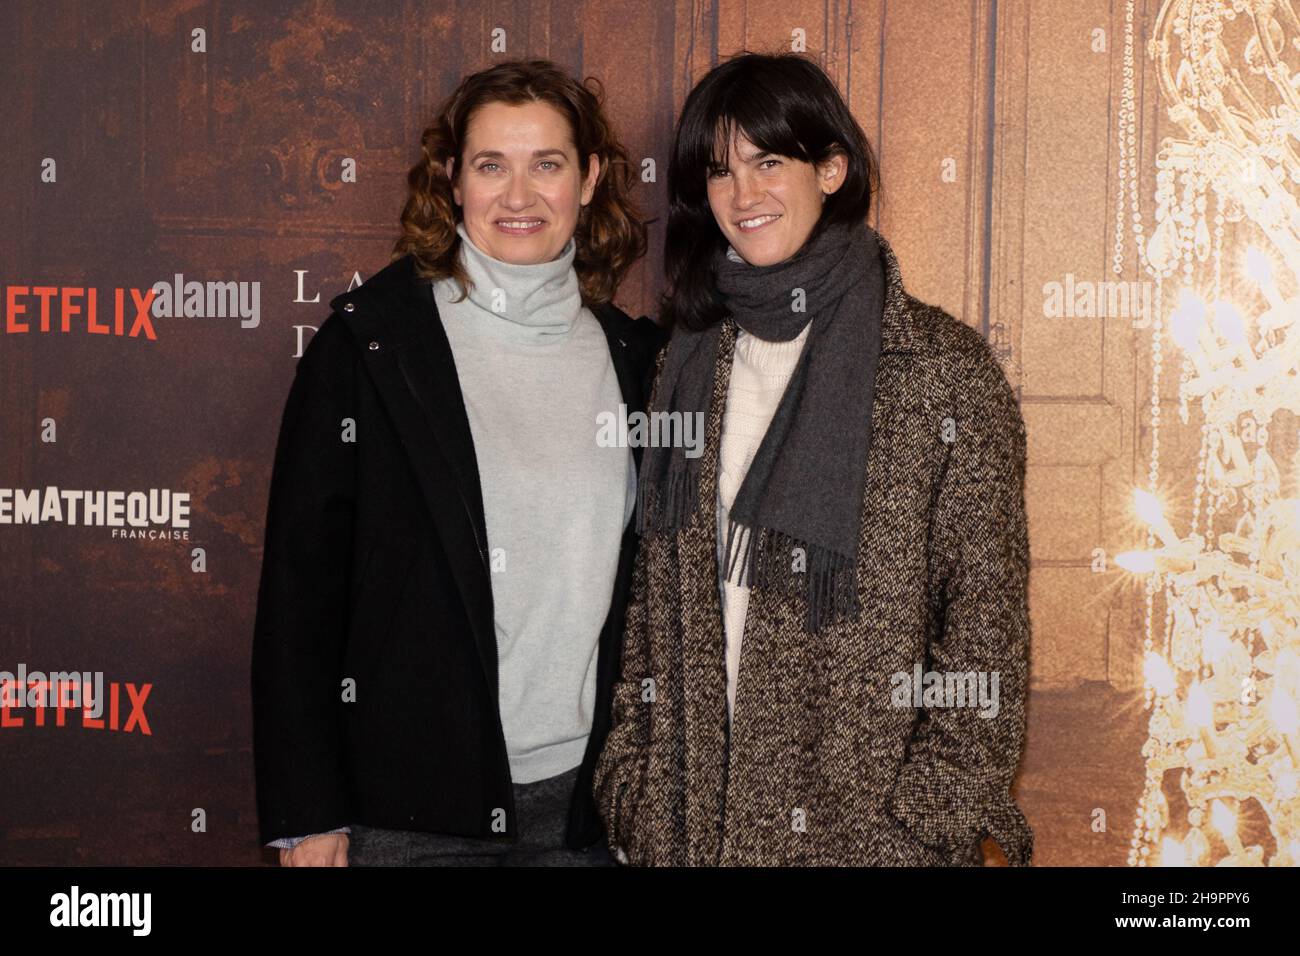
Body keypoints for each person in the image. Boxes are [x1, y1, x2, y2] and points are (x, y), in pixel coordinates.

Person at [594, 51, 1034, 866]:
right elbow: (654, 612)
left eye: (769, 162)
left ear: (831, 168)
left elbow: (986, 635)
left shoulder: (941, 371)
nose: (743, 196)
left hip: (864, 843)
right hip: (692, 837)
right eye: (719, 172)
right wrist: (637, 794)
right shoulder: (687, 360)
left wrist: (918, 830)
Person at [252, 59, 664, 866]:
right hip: (409, 821)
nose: (519, 196)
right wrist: (309, 815)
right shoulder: (370, 347)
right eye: (490, 166)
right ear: (452, 181)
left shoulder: (637, 360)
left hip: (591, 815)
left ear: (589, 180)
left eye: (546, 164)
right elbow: (300, 595)